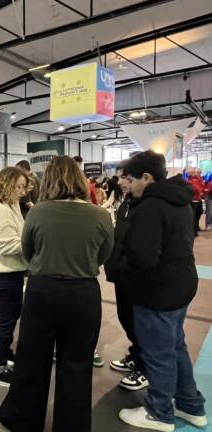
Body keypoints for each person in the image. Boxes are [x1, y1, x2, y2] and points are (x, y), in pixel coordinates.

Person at [0, 156, 114, 432]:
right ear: (79, 179)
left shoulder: (38, 212)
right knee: (77, 364)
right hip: (84, 293)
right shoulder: (101, 215)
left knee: (32, 359)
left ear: (49, 181)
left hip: (42, 290)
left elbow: (28, 250)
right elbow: (104, 255)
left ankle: (21, 420)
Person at [118, 151, 207, 432]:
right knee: (175, 346)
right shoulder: (179, 200)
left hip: (158, 291)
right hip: (181, 284)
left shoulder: (150, 207)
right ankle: (190, 405)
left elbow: (143, 258)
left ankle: (159, 412)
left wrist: (121, 266)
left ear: (147, 177)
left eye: (130, 180)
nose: (127, 186)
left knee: (158, 353)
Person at [0, 167, 30, 388]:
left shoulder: (10, 205)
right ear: (7, 186)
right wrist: (35, 244)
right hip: (4, 273)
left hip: (10, 271)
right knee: (6, 320)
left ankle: (5, 354)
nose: (22, 192)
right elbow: (9, 245)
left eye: (23, 187)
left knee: (10, 316)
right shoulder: (0, 209)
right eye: (18, 187)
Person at [105, 162, 148, 392]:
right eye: (120, 177)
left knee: (139, 324)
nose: (120, 181)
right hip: (122, 275)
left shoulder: (147, 207)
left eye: (126, 178)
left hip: (135, 277)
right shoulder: (127, 203)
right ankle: (136, 354)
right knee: (127, 319)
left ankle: (144, 368)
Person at [186, 168, 205, 237]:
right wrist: (201, 192)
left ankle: (196, 229)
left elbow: (200, 188)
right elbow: (198, 189)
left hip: (197, 199)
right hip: (195, 199)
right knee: (194, 216)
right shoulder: (193, 180)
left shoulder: (196, 179)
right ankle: (194, 231)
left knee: (197, 214)